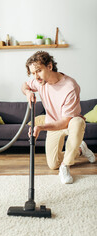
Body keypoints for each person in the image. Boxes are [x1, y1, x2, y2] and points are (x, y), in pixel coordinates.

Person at [22, 51, 95, 184]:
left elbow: (65, 122)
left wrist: (40, 127)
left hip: (69, 123)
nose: (36, 76)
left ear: (49, 66)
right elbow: (25, 85)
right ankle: (80, 149)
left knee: (77, 122)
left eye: (38, 71)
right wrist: (27, 92)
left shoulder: (70, 86)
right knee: (53, 163)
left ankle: (65, 166)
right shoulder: (39, 81)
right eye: (33, 73)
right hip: (53, 124)